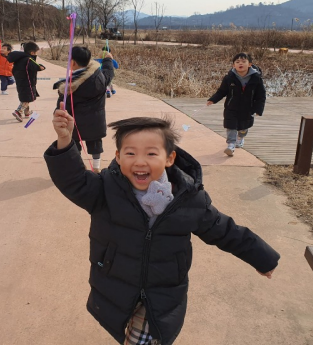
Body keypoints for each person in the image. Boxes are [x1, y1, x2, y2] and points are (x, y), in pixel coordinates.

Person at [45, 114, 280, 345]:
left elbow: (224, 230)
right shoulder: (105, 190)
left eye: (150, 153)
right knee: (124, 323)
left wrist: (262, 256)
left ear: (169, 158)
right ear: (118, 157)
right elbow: (73, 180)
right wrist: (65, 140)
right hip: (116, 284)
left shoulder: (188, 198)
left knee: (146, 336)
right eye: (130, 153)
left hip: (162, 292)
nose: (139, 161)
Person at [52, 46, 106, 173]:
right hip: (96, 120)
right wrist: (108, 60)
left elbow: (64, 106)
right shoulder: (99, 75)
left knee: (75, 143)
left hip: (77, 121)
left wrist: (57, 111)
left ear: (73, 63)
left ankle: (78, 167)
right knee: (95, 143)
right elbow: (109, 73)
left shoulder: (71, 87)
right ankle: (96, 167)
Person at [207, 52, 266, 156]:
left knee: (244, 127)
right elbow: (222, 91)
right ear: (233, 65)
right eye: (237, 62)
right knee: (231, 125)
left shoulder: (256, 79)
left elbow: (261, 96)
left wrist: (258, 109)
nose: (240, 64)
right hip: (231, 107)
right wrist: (213, 99)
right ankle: (231, 145)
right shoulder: (229, 78)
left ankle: (240, 138)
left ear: (250, 64)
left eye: (243, 61)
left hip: (248, 108)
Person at [7, 42, 45, 122]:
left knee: (26, 97)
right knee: (27, 98)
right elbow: (34, 67)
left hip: (21, 81)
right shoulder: (29, 60)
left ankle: (27, 112)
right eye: (36, 52)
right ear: (32, 53)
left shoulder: (21, 58)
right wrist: (41, 68)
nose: (37, 54)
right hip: (27, 82)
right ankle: (18, 112)